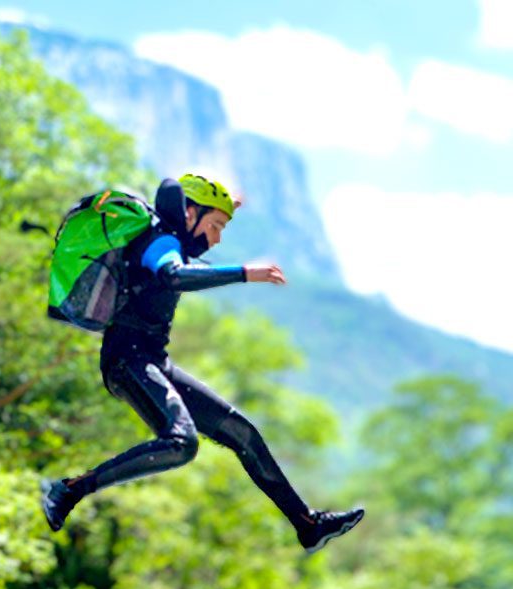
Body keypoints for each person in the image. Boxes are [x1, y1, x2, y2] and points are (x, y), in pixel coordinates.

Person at [42, 173, 364, 553]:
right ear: (189, 213)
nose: (217, 238)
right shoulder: (161, 241)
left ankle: (307, 524)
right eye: (214, 227)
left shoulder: (172, 237)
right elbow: (173, 274)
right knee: (181, 441)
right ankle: (69, 490)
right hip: (126, 362)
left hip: (152, 362)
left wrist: (226, 208)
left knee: (241, 432)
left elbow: (184, 244)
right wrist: (245, 272)